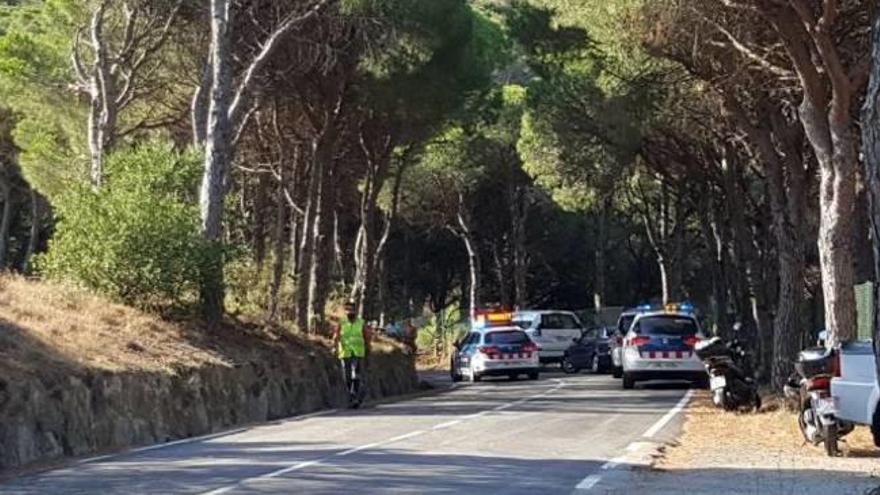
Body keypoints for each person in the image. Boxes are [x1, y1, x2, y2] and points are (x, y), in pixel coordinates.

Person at [333, 301, 371, 409]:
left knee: (355, 374)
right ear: (345, 311)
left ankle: (354, 395)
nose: (349, 312)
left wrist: (368, 349)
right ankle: (351, 395)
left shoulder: (361, 322)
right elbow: (336, 336)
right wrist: (334, 347)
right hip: (345, 352)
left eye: (351, 309)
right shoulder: (341, 322)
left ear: (355, 310)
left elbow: (367, 337)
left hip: (358, 352)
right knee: (347, 376)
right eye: (347, 309)